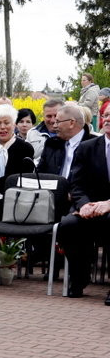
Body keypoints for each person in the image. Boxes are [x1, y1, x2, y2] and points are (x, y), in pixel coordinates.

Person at [57, 109, 110, 300]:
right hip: (89, 206)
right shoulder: (88, 147)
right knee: (68, 225)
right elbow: (76, 184)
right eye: (105, 115)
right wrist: (85, 205)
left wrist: (108, 204)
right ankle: (79, 278)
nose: (107, 119)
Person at [38, 104, 97, 177]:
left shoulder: (96, 146)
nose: (54, 126)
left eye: (58, 122)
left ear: (71, 123)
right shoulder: (52, 143)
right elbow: (39, 175)